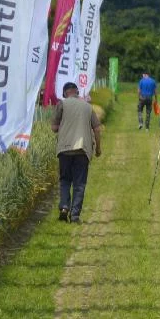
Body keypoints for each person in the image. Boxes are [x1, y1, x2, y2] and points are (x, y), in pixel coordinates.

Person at [51, 81, 102, 224]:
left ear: (65, 93)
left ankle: (64, 207)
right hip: (82, 149)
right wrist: (98, 148)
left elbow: (54, 128)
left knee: (65, 180)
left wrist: (64, 125)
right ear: (77, 92)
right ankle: (74, 216)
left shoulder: (62, 104)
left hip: (65, 149)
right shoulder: (88, 106)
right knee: (79, 183)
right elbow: (97, 129)